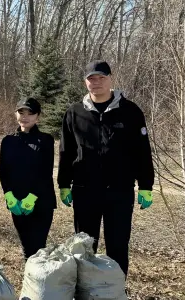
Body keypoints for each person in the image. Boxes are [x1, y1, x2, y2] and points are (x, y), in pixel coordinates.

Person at [58, 60, 155, 276]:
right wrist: (63, 184)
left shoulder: (130, 111)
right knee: (83, 246)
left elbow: (142, 150)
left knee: (118, 245)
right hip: (85, 190)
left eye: (101, 77)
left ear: (111, 79)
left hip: (119, 190)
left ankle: (115, 295)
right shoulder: (74, 113)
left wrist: (146, 184)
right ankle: (84, 294)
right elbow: (66, 152)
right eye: (92, 78)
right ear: (85, 82)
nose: (97, 82)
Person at [0, 97, 56, 258]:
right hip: (16, 201)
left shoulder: (46, 140)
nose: (25, 116)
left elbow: (45, 172)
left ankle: (40, 281)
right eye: (21, 112)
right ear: (15, 114)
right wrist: (8, 195)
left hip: (41, 202)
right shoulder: (8, 141)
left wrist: (32, 197)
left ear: (38, 116)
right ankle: (30, 281)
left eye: (30, 113)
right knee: (26, 247)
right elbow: (3, 171)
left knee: (38, 248)